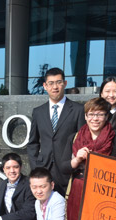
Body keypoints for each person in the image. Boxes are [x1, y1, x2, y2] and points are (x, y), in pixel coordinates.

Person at [27, 67, 85, 196]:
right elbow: (33, 142)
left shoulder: (78, 110)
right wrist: (35, 166)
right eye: (51, 83)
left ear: (65, 84)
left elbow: (82, 140)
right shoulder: (38, 112)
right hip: (43, 169)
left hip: (67, 170)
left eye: (59, 82)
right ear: (45, 86)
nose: (55, 87)